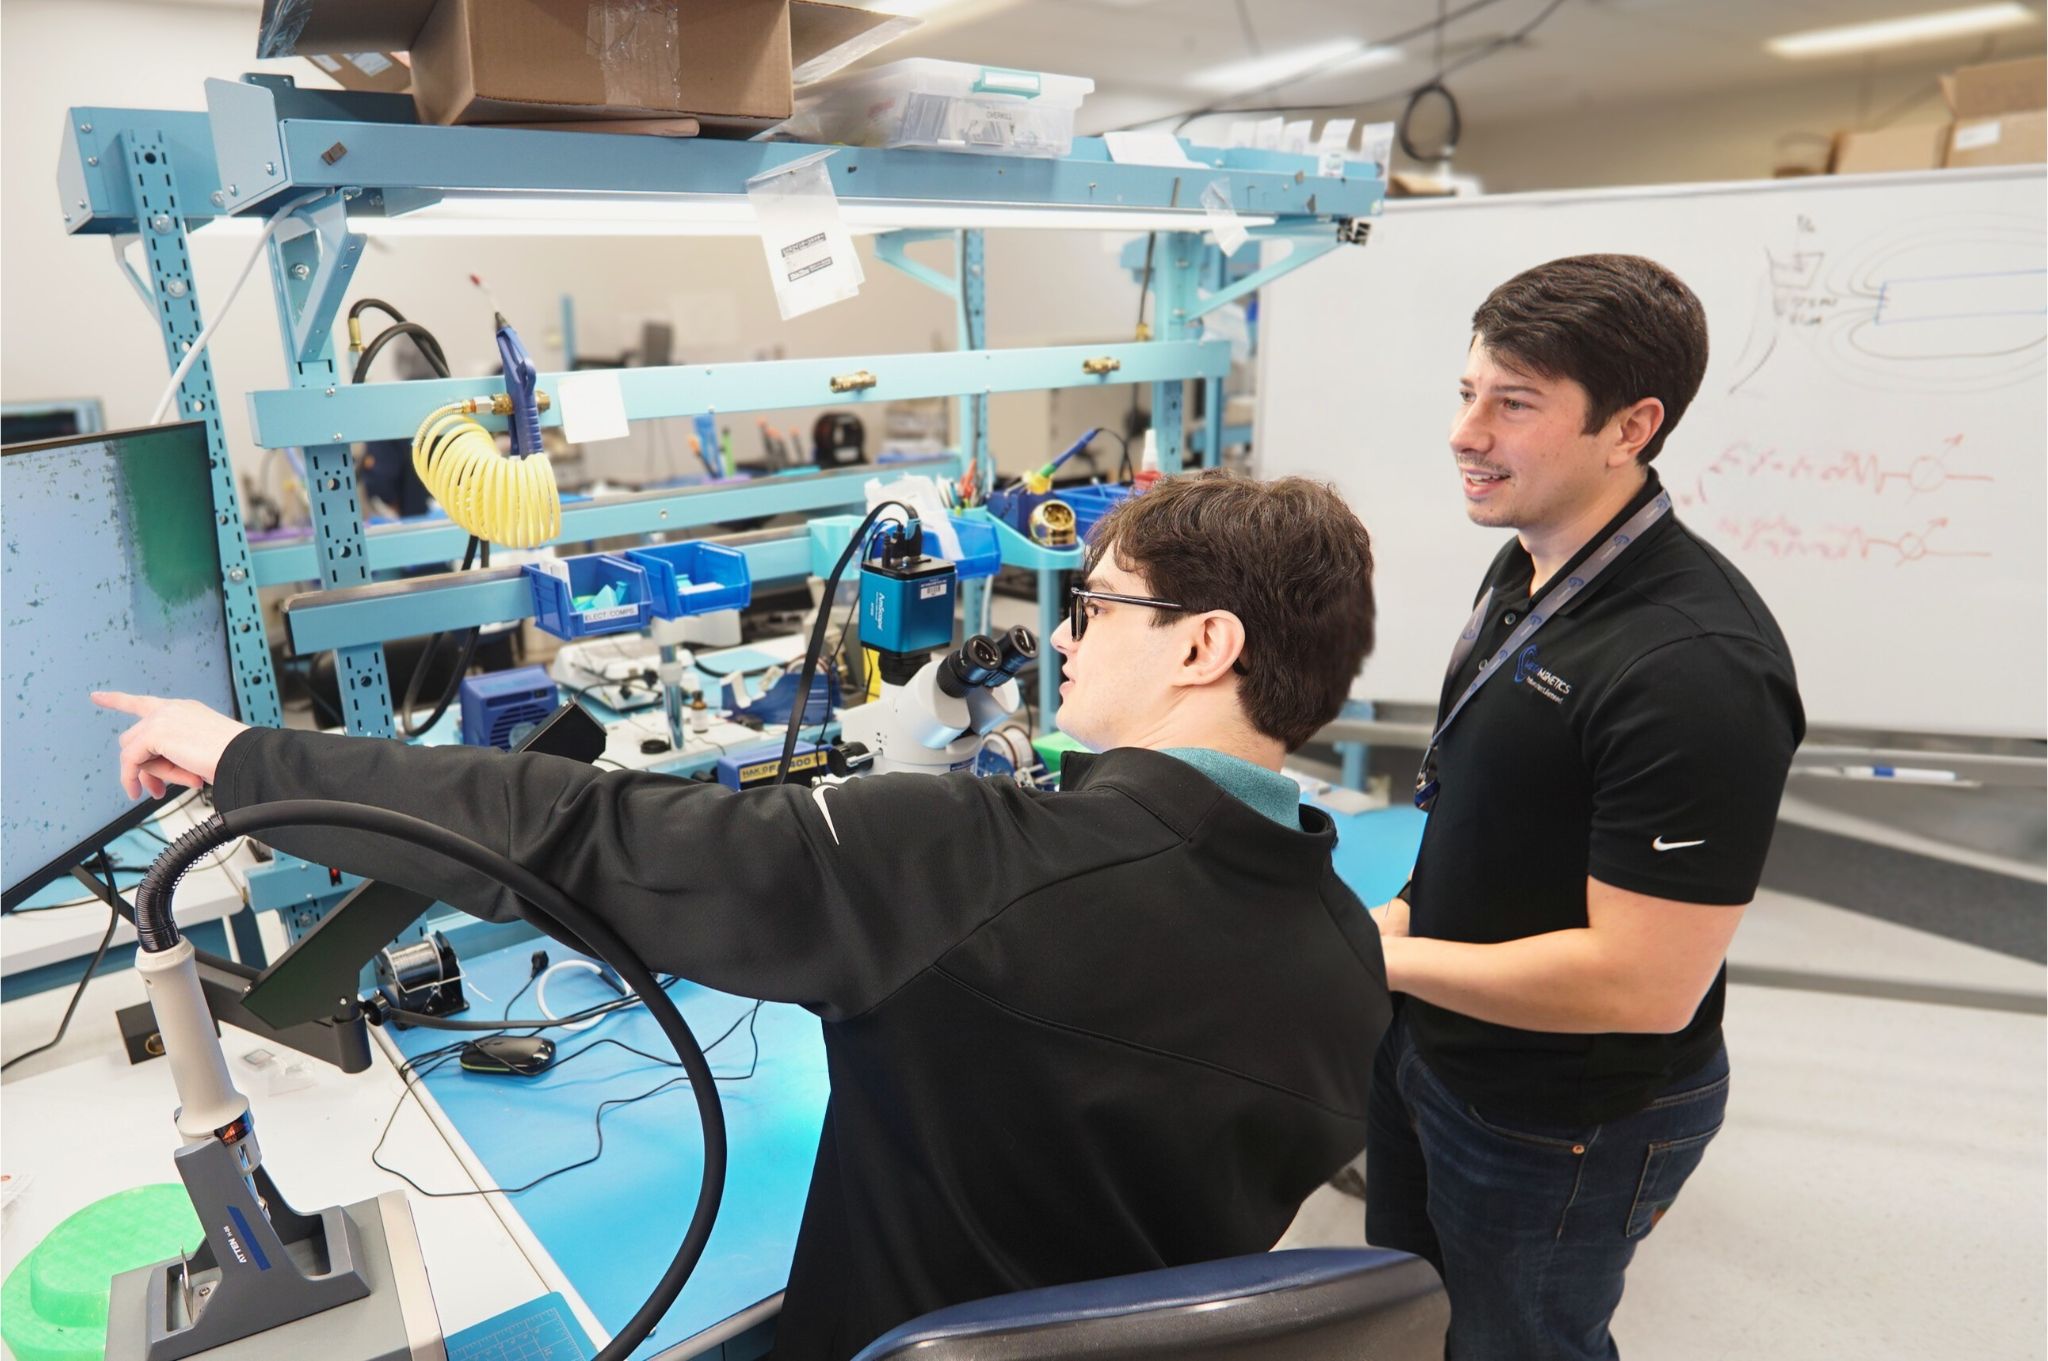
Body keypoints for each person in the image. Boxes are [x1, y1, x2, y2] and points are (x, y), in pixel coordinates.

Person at [96, 472, 1393, 1361]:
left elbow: (581, 832)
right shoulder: (1349, 957)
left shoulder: (965, 860)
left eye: (1098, 605)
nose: (1062, 638)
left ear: (1200, 644)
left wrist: (250, 762)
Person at [1363, 254, 1805, 1359]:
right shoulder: (1530, 565)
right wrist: (1400, 928)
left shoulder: (1692, 666)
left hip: (1558, 1116)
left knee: (1516, 1341)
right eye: (1467, 393)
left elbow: (1642, 984)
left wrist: (1372, 960)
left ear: (1630, 426)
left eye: (1512, 404)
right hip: (1435, 1044)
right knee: (1408, 1319)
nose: (1466, 433)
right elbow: (1485, 792)